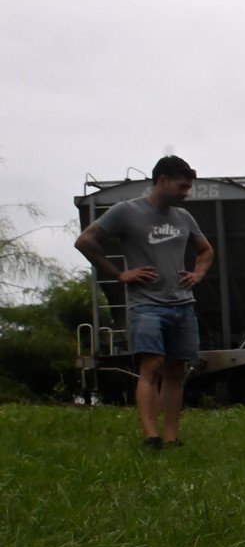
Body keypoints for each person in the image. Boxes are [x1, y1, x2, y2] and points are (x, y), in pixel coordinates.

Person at [75, 156, 214, 450]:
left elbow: (205, 251)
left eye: (188, 188)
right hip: (147, 304)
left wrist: (198, 274)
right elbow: (86, 241)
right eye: (182, 186)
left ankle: (171, 436)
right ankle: (151, 436)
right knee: (152, 365)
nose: (186, 193)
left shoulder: (184, 218)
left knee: (176, 370)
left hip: (182, 304)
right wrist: (119, 274)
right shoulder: (127, 211)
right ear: (162, 180)